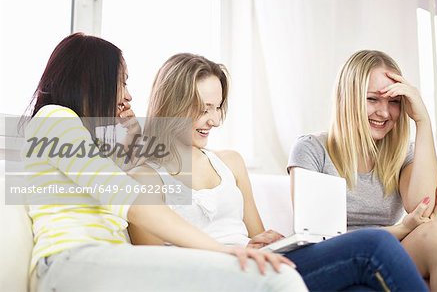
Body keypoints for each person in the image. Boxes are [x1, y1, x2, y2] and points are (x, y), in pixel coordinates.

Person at [21, 33, 307, 292]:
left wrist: (129, 145)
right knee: (275, 279)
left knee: (267, 276)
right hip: (72, 262)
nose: (128, 95)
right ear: (92, 81)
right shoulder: (53, 119)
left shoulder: (90, 142)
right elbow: (131, 200)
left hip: (113, 261)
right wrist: (222, 251)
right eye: (122, 81)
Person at [128, 52, 429, 291]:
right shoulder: (145, 177)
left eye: (218, 108)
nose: (215, 120)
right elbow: (155, 269)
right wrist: (226, 254)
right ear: (172, 104)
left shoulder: (230, 162)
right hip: (222, 277)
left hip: (259, 266)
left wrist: (265, 240)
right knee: (374, 245)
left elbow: (257, 236)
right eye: (204, 109)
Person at [288, 49, 437, 290]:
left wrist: (423, 121)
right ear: (348, 98)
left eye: (394, 101)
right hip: (336, 256)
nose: (384, 113)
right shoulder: (312, 149)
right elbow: (318, 239)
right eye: (372, 99)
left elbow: (423, 212)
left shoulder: (403, 152)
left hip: (388, 249)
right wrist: (402, 228)